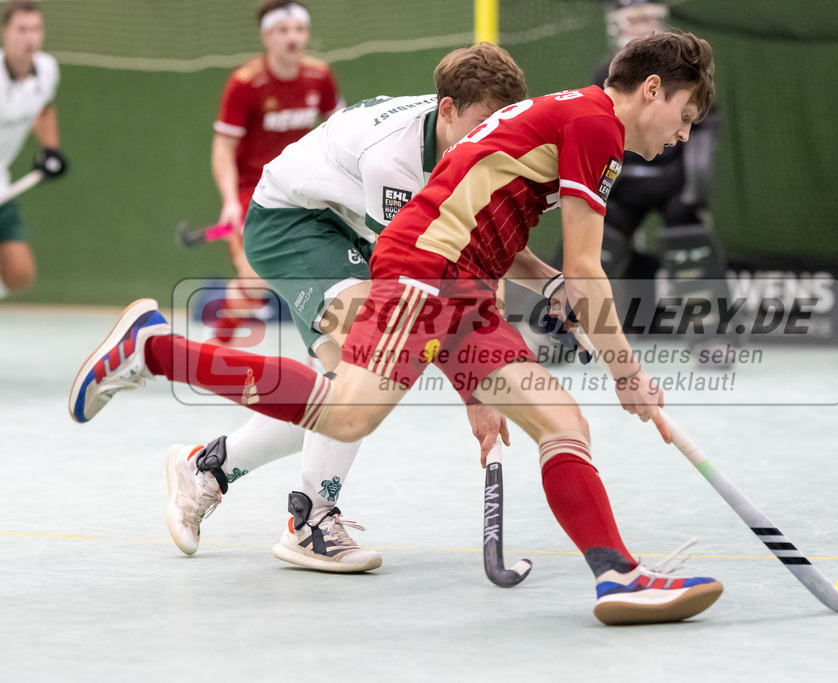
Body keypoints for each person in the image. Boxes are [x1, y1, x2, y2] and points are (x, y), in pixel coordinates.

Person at [70, 31, 723, 626]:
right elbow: (586, 267)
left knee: (561, 421)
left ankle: (617, 575)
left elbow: (505, 226)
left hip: (462, 280)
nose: (684, 135)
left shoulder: (573, 116)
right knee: (347, 410)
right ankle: (154, 350)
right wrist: (628, 373)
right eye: (686, 115)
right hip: (422, 272)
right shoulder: (594, 126)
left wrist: (544, 298)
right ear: (652, 89)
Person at [165, 43, 528, 574]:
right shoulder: (396, 159)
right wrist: (476, 387)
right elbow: (423, 277)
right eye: (481, 122)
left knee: (348, 393)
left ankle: (209, 467)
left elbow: (480, 252)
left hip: (345, 224)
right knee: (376, 343)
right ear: (447, 109)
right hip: (292, 221)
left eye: (502, 123)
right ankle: (310, 521)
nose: (491, 137)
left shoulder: (474, 146)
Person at [589, 1, 730, 355]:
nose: (641, 27)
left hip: (674, 183)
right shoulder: (605, 73)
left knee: (690, 242)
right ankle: (559, 331)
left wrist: (694, 186)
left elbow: (703, 127)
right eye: (634, 19)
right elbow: (595, 129)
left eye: (648, 18)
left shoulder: (688, 73)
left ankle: (711, 336)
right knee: (593, 243)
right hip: (624, 183)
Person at [209, 0, 340, 344]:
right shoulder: (245, 84)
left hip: (304, 187)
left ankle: (336, 352)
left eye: (299, 29)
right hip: (253, 190)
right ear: (267, 36)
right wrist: (229, 202)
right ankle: (217, 346)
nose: (293, 38)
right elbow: (223, 148)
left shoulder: (320, 76)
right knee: (254, 280)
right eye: (283, 31)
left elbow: (340, 130)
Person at [0, 0, 67, 298]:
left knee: (20, 275)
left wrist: (50, 148)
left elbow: (44, 107)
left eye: (36, 29)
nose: (30, 37)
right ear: (5, 33)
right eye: (22, 29)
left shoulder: (47, 69)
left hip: (2, 181)